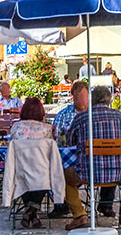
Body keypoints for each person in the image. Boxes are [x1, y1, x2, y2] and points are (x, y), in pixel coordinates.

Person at [63, 86, 121, 230]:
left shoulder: (82, 117)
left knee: (64, 178)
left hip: (87, 173)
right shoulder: (120, 117)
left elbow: (69, 141)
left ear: (92, 99)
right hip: (118, 172)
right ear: (110, 100)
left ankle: (79, 215)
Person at [11, 97, 57, 228]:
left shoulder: (16, 128)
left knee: (24, 177)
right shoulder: (46, 129)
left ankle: (29, 212)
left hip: (20, 172)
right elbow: (50, 153)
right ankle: (32, 212)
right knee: (47, 174)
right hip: (40, 173)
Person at [49, 80, 88, 220]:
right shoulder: (63, 115)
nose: (82, 101)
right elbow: (56, 137)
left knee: (63, 175)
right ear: (73, 98)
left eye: (84, 97)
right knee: (57, 170)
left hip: (91, 165)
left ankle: (104, 205)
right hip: (71, 158)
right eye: (78, 98)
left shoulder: (94, 115)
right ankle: (61, 203)